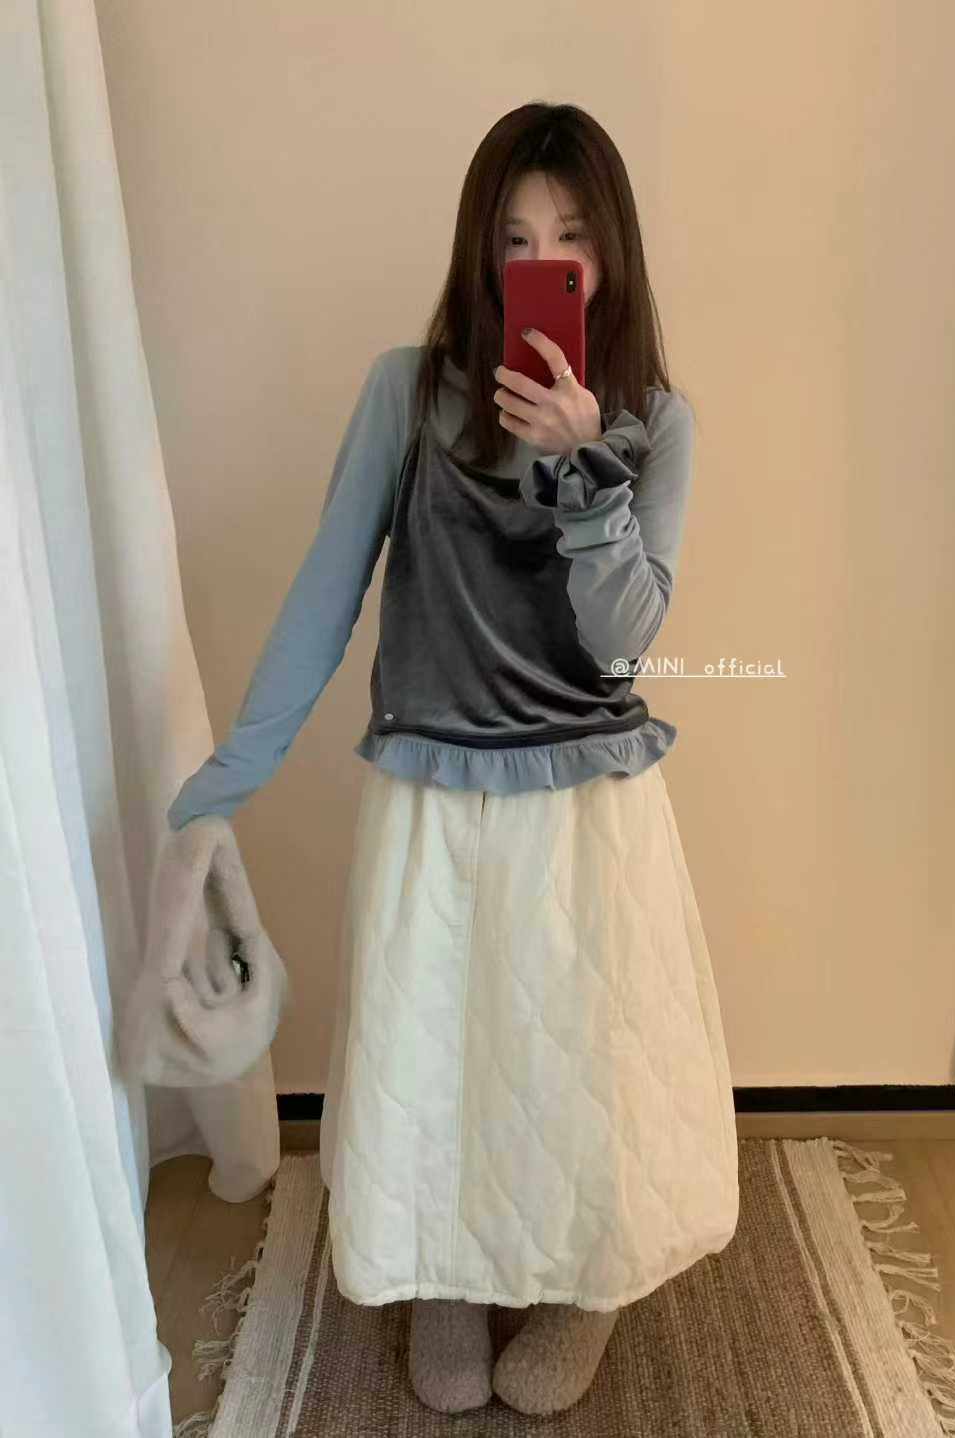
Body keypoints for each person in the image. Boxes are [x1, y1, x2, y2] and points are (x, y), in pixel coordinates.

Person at [167, 101, 739, 1418]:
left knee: (583, 1065)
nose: (544, 260)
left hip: (588, 803)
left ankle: (584, 1283)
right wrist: (233, 771)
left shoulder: (657, 422)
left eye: (571, 236)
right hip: (433, 787)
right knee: (438, 1054)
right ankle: (445, 1274)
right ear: (482, 252)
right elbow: (327, 589)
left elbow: (623, 643)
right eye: (515, 238)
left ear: (612, 252)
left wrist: (583, 469)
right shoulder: (406, 392)